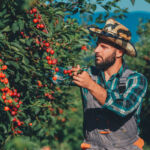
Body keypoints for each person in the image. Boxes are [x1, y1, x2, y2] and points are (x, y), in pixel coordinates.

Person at [71, 18, 148, 150]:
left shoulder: (136, 80)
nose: (96, 50)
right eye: (97, 45)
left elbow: (123, 108)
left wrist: (90, 85)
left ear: (119, 52)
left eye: (104, 47)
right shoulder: (88, 74)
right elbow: (56, 73)